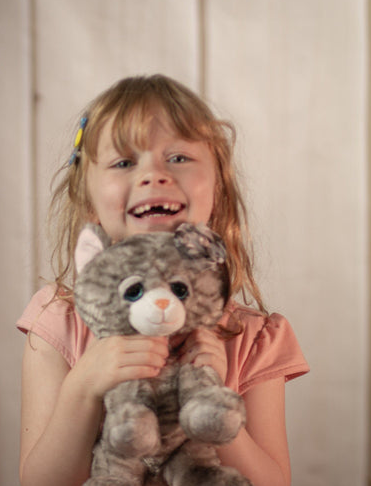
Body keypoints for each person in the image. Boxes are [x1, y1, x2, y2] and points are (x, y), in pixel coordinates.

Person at [16, 74, 309, 486]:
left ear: (219, 189)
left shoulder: (253, 337)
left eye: (178, 158)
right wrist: (83, 388)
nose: (153, 174)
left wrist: (215, 409)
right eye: (123, 162)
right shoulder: (58, 321)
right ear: (89, 201)